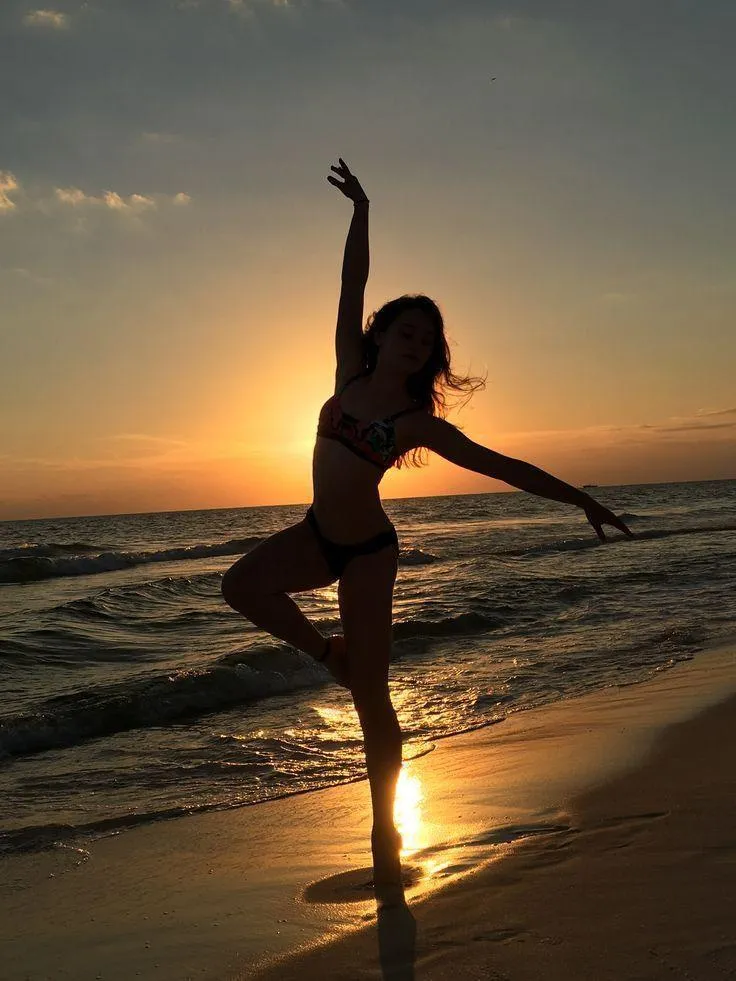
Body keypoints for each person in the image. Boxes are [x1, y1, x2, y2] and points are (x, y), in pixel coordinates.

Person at [221, 158, 633, 900]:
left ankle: (386, 830)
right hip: (317, 533)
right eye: (406, 331)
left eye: (427, 340)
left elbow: (502, 465)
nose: (415, 344)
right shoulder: (348, 368)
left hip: (370, 554)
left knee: (372, 700)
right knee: (239, 583)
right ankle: (328, 651)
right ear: (382, 335)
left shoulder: (416, 423)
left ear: (429, 357)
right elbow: (350, 283)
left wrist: (581, 500)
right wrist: (362, 209)